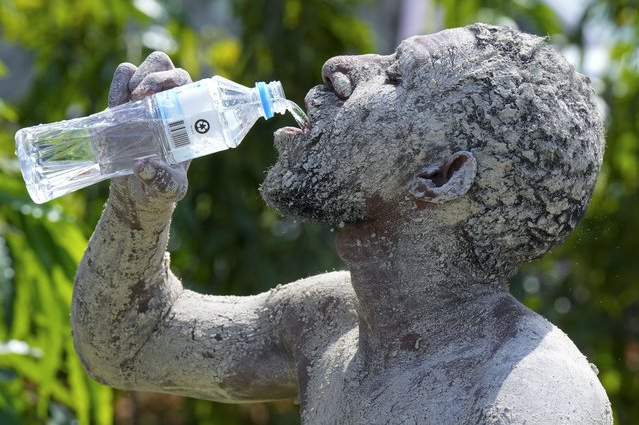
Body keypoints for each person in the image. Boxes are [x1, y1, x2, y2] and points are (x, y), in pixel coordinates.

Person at [72, 23, 612, 424]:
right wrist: (136, 208)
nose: (339, 65)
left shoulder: (529, 397)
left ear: (442, 176)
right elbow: (127, 347)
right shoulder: (331, 321)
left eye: (397, 76)